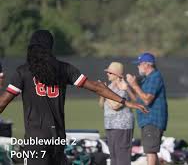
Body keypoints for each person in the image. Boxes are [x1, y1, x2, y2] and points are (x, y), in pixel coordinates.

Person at [0, 30, 148, 165]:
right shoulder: (64, 69)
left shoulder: (23, 72)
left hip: (35, 139)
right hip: (57, 137)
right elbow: (97, 87)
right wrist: (125, 101)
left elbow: (3, 102)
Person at [125, 52, 168, 165]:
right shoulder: (146, 79)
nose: (137, 66)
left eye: (139, 64)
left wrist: (134, 85)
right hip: (146, 120)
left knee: (150, 151)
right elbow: (137, 100)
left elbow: (147, 99)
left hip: (153, 120)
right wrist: (127, 88)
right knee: (150, 151)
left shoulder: (155, 77)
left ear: (146, 64)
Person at [98, 62, 134, 165]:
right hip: (110, 125)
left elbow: (116, 106)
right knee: (113, 156)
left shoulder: (123, 87)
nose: (107, 74)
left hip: (122, 126)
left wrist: (106, 92)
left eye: (109, 73)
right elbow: (101, 105)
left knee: (122, 156)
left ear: (116, 74)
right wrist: (102, 92)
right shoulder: (110, 86)